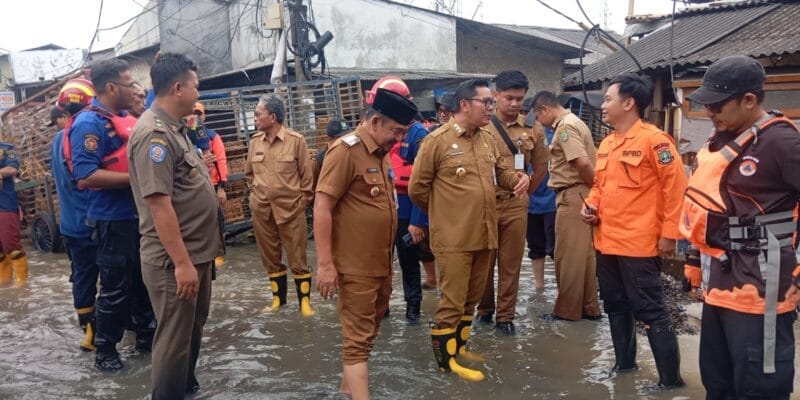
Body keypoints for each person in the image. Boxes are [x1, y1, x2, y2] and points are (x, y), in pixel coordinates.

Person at [680, 55, 800, 399]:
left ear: (749, 100)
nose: (710, 113)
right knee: (717, 382)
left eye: (717, 105)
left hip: (763, 289)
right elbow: (705, 205)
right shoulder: (720, 141)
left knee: (759, 386)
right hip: (720, 282)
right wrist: (692, 258)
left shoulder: (782, 143)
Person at [409, 79, 530, 381]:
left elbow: (499, 173)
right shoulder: (436, 141)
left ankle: (459, 348)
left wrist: (517, 178)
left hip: (484, 234)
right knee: (451, 302)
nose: (492, 107)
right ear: (464, 105)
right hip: (454, 238)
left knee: (471, 299)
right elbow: (417, 189)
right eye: (486, 102)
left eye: (491, 102)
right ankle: (445, 364)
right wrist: (446, 214)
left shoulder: (486, 138)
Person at [128, 52, 223, 400]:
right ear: (179, 87)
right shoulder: (154, 135)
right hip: (174, 261)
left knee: (190, 334)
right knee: (173, 341)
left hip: (196, 254)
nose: (198, 95)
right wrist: (182, 263)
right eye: (196, 87)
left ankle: (184, 389)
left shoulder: (176, 129)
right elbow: (159, 204)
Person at [581, 73, 686, 389]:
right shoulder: (609, 143)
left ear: (629, 103)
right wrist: (591, 205)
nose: (603, 105)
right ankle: (624, 366)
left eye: (609, 99)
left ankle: (670, 381)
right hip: (606, 243)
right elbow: (600, 185)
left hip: (639, 245)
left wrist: (670, 234)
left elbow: (676, 188)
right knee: (615, 305)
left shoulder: (654, 141)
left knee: (652, 311)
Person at [314, 88, 418, 400]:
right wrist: (325, 265)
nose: (398, 140)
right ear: (374, 122)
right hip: (354, 266)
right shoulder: (345, 151)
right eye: (395, 132)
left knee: (368, 335)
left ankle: (347, 390)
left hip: (380, 264)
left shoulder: (379, 152)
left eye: (402, 133)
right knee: (357, 340)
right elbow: (322, 206)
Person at [65, 58, 156, 371]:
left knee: (145, 283)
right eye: (129, 83)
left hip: (138, 217)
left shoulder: (124, 117)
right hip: (111, 220)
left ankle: (147, 339)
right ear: (111, 87)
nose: (134, 88)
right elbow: (86, 175)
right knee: (116, 289)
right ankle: (106, 352)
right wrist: (139, 178)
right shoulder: (88, 125)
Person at [476, 70, 549, 335]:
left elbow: (541, 165)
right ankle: (484, 310)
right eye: (509, 98)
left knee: (511, 263)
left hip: (516, 205)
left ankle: (505, 318)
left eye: (520, 98)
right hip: (485, 204)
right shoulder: (481, 125)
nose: (515, 103)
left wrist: (527, 189)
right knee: (483, 261)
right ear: (495, 95)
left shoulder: (533, 127)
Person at [533, 91, 601, 321]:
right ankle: (588, 307)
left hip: (573, 194)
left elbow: (581, 162)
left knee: (568, 255)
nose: (538, 122)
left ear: (545, 109)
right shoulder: (575, 122)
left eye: (537, 115)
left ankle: (567, 311)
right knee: (584, 255)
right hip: (581, 193)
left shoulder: (564, 127)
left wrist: (596, 187)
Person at [246, 95, 315, 316]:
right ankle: (279, 301)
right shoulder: (254, 142)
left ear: (272, 117)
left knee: (298, 257)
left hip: (292, 210)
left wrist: (301, 204)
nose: (255, 118)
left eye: (259, 114)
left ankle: (304, 303)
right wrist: (255, 197)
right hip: (262, 210)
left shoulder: (296, 141)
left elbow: (307, 179)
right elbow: (249, 175)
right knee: (270, 257)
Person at [50, 77, 99, 352]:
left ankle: (88, 333)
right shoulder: (85, 134)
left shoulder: (57, 140)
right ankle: (103, 329)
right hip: (93, 222)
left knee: (82, 276)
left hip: (70, 225)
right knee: (112, 275)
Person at [0, 141, 24, 287]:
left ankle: (22, 283)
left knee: (12, 245)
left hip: (4, 205)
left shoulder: (7, 148)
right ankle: (4, 282)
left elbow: (13, 168)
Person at [313, 117, 350, 188]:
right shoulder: (320, 161)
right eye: (342, 138)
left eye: (348, 136)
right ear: (330, 140)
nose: (346, 140)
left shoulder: (350, 154)